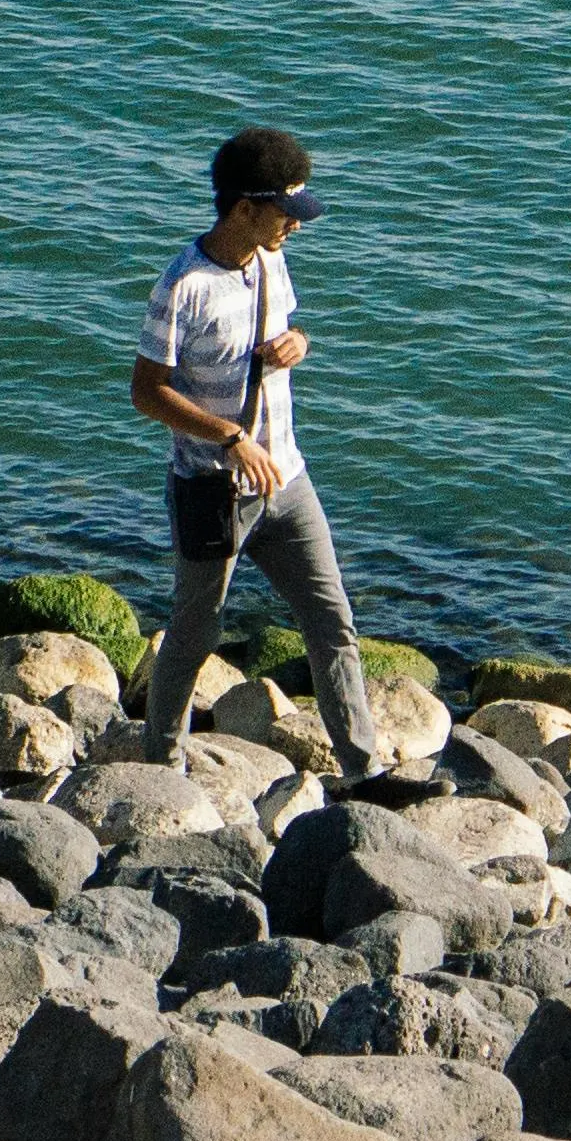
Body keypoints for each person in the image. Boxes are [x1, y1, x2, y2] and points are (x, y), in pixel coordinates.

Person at [125, 125, 383, 784]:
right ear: (245, 208)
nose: (295, 226)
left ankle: (364, 774)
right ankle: (162, 768)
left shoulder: (270, 260)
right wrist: (232, 439)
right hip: (213, 491)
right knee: (194, 634)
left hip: (287, 483)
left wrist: (298, 343)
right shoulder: (181, 287)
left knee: (333, 623)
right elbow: (147, 393)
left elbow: (285, 331)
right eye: (285, 212)